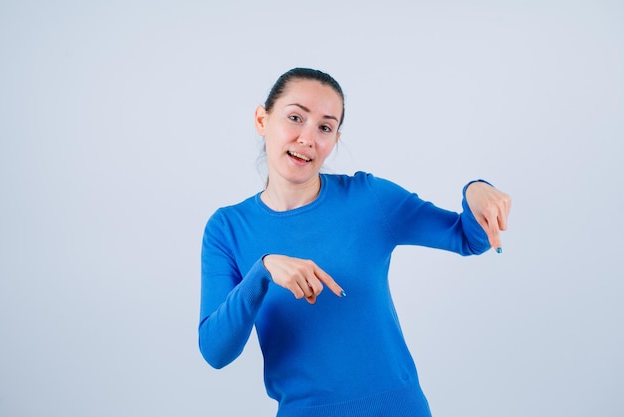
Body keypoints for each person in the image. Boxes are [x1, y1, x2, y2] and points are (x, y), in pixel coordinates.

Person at [198, 67, 511, 417]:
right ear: (262, 119)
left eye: (325, 127)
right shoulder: (228, 228)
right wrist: (263, 271)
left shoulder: (368, 199)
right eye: (295, 117)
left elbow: (467, 238)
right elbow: (215, 352)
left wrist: (475, 189)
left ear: (334, 139)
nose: (307, 138)